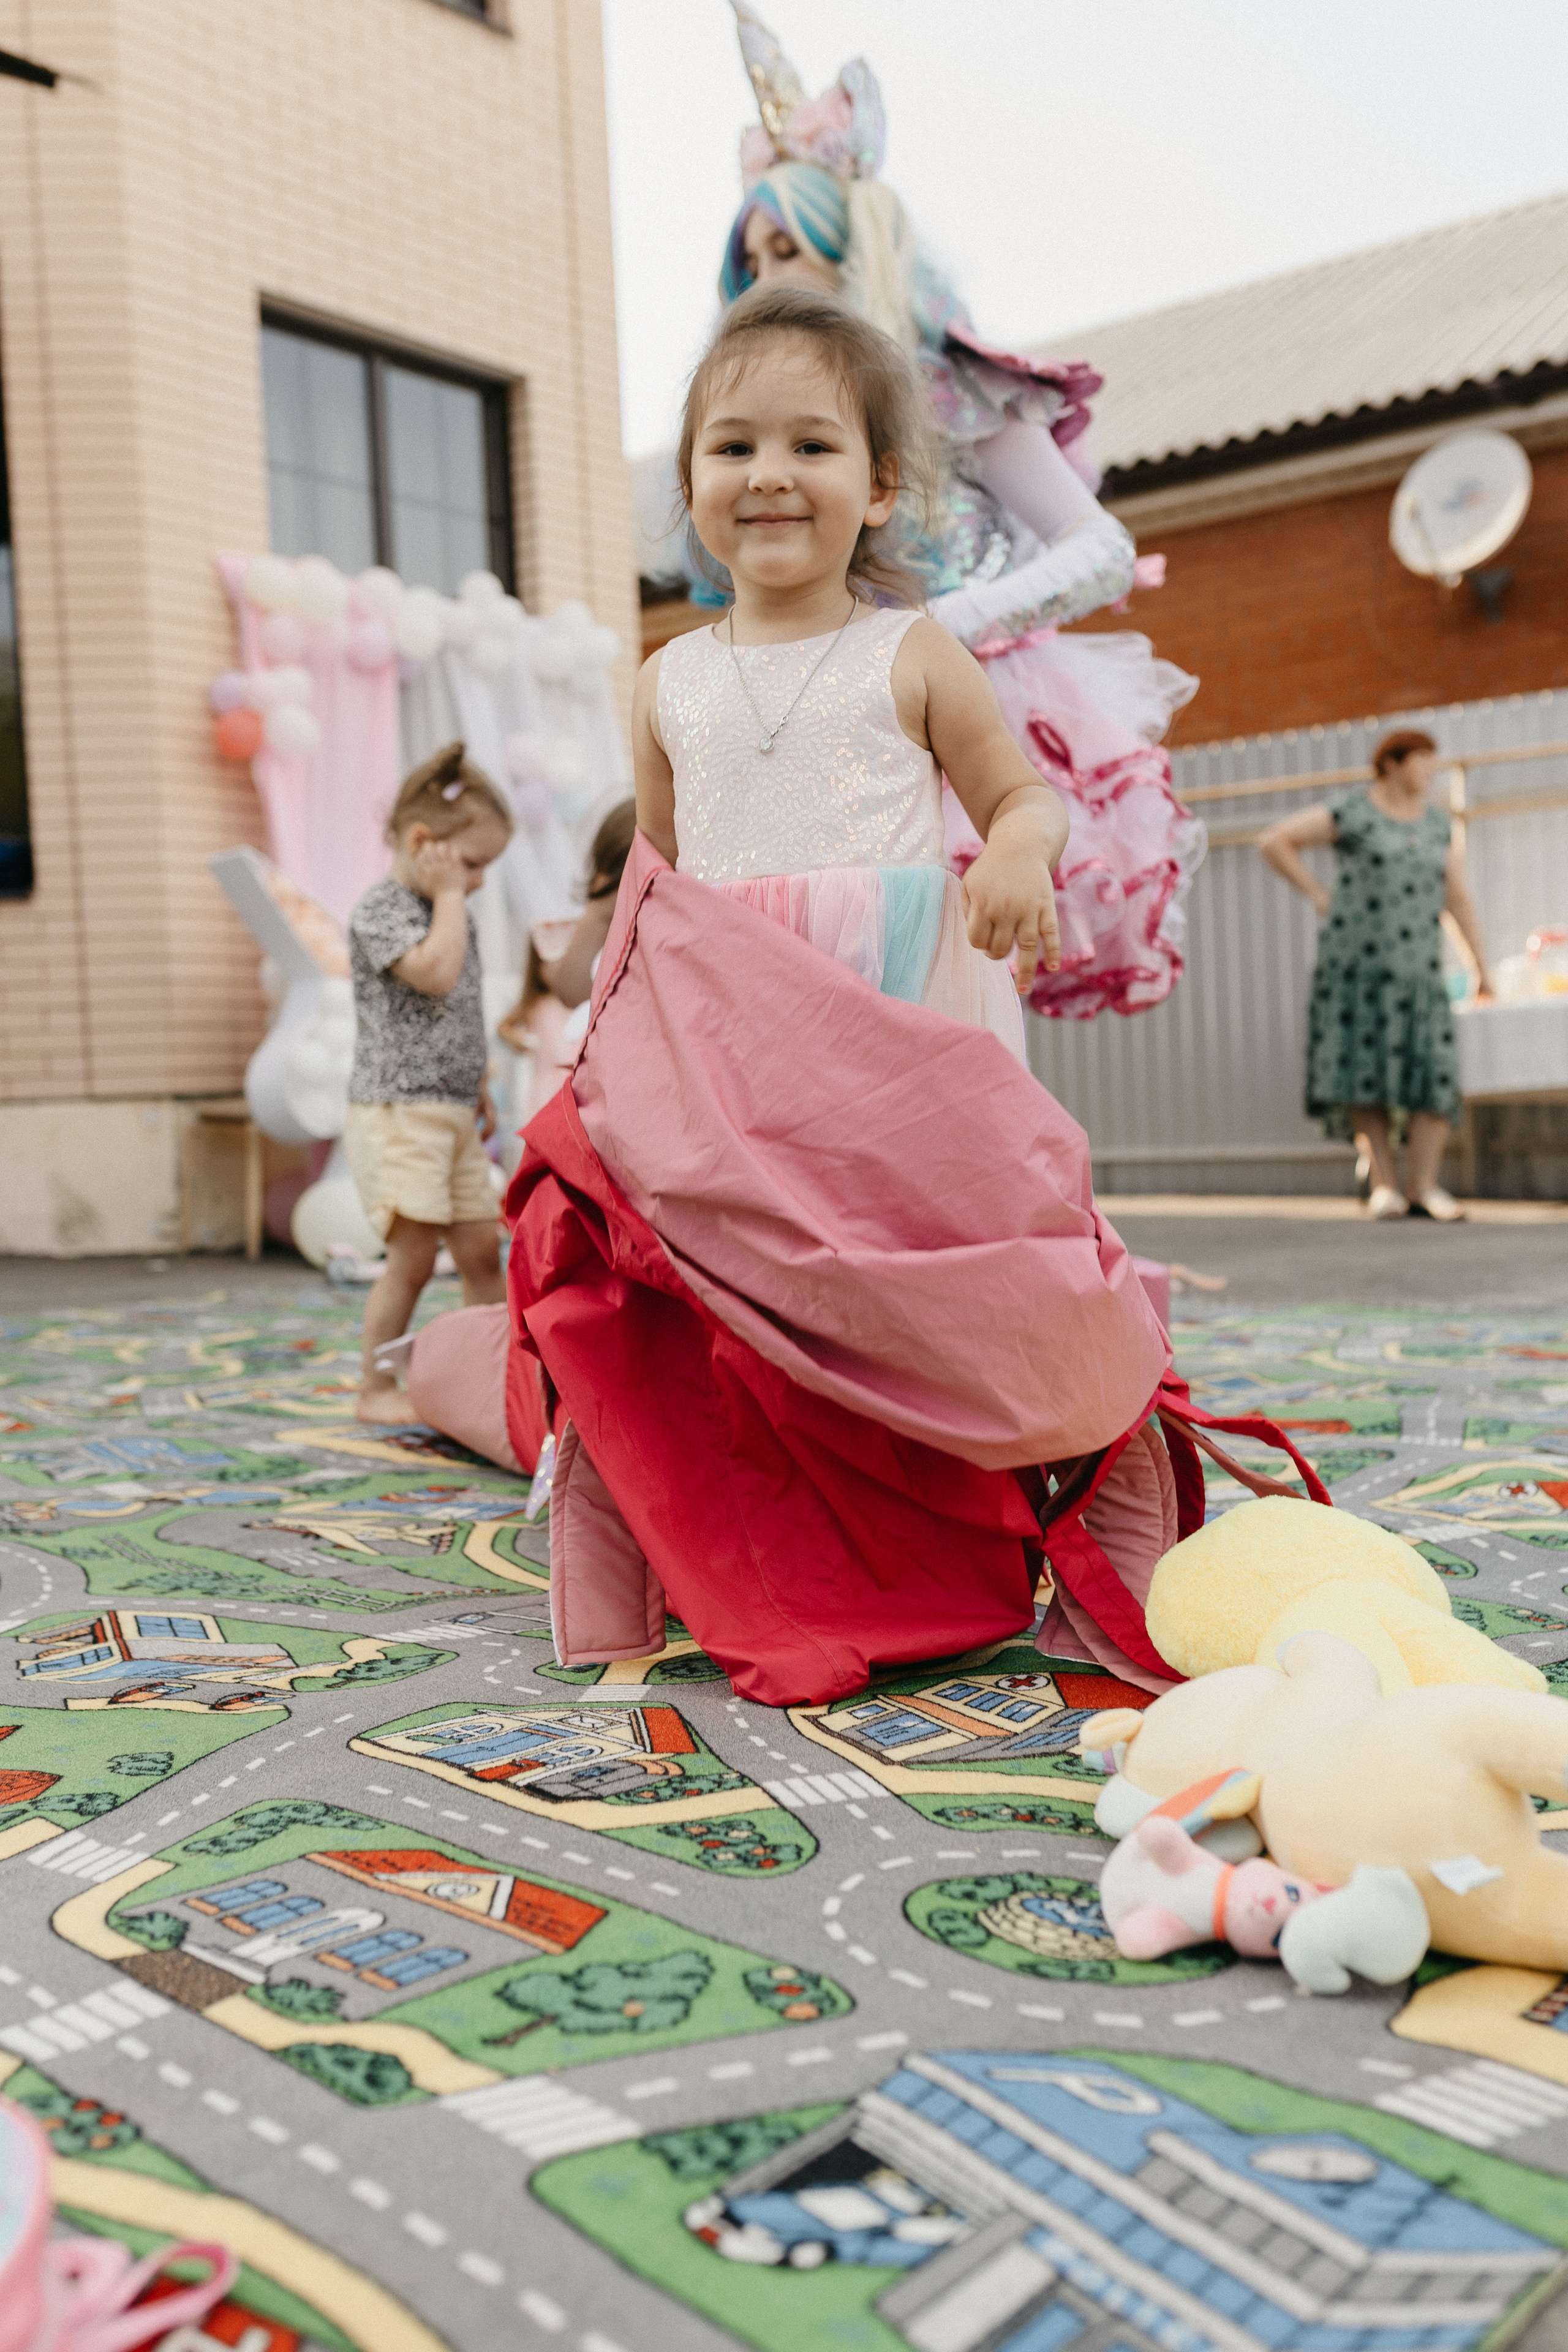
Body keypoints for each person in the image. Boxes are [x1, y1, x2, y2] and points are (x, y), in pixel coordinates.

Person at [503, 284, 1317, 1710]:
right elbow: (664, 875)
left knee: (978, 1259)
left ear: (878, 485)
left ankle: (1102, 1454)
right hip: (729, 1034)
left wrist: (1009, 849)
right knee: (714, 1270)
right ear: (688, 482)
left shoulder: (911, 651)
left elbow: (1021, 797)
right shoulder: (665, 682)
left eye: (810, 446)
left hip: (894, 1022)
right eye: (730, 445)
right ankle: (692, 1529)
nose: (767, 474)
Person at [704, 2, 1204, 1020]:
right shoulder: (760, 442)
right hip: (834, 728)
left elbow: (1102, 551)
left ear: (852, 252)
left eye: (788, 251)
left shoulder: (947, 388)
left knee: (954, 1007)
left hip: (967, 718)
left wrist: (949, 630)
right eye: (750, 261)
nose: (764, 281)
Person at [343, 741, 512, 1423]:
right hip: (401, 1114)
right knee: (411, 1259)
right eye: (471, 865)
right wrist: (446, 897)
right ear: (424, 843)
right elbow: (436, 975)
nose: (475, 884)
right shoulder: (382, 910)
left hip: (450, 1112)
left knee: (480, 1248)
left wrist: (478, 1088)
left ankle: (498, 1370)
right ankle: (374, 1389)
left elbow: (459, 1011)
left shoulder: (453, 912)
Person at [1260, 728, 1493, 1223]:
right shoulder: (1354, 812)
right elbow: (1275, 839)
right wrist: (1320, 896)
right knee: (1366, 1074)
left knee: (1433, 1072)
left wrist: (1480, 968)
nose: (1430, 770)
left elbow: (1458, 899)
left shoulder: (1437, 826)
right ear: (1391, 764)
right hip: (1357, 968)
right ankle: (1385, 1185)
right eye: (1421, 760)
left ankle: (1424, 1187)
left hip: (1420, 970)